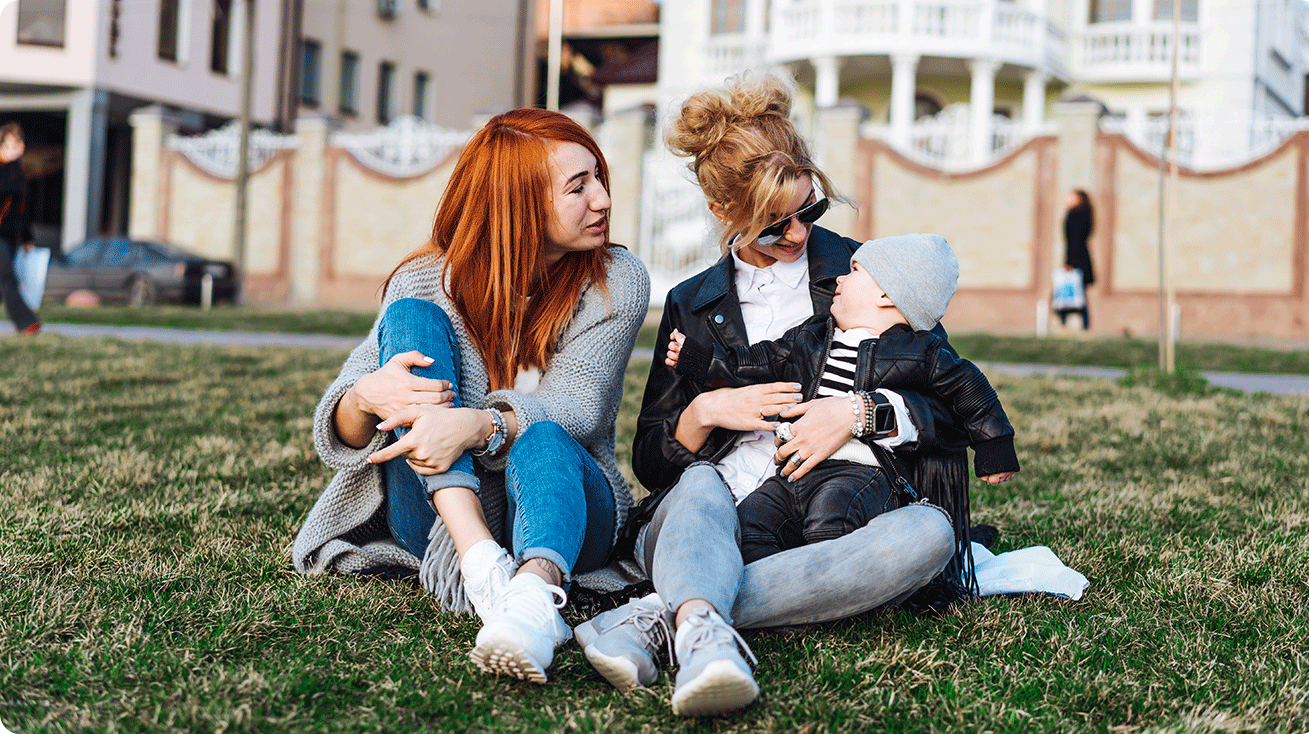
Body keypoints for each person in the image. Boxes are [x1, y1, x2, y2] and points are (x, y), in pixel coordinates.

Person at [573, 72, 976, 717]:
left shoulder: (862, 270)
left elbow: (950, 401)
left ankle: (664, 616)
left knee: (930, 534)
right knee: (700, 488)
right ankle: (701, 621)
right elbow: (651, 460)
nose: (796, 235)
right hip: (711, 515)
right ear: (723, 215)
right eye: (770, 224)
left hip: (836, 513)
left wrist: (859, 413)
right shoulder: (691, 303)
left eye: (808, 210)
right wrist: (705, 412)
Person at [291, 109, 649, 685]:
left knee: (545, 436)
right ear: (518, 202)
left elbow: (579, 411)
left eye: (599, 179)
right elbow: (341, 431)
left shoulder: (615, 279)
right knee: (411, 317)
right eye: (578, 187)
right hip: (443, 521)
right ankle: (482, 564)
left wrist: (479, 425)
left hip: (567, 506)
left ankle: (534, 596)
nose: (603, 199)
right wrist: (365, 396)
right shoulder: (426, 280)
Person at [666, 233, 1018, 563]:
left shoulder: (921, 351)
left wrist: (994, 447)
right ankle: (768, 587)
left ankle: (829, 592)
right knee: (752, 521)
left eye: (853, 271)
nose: (839, 279)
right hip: (794, 473)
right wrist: (700, 360)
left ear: (886, 295)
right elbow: (761, 360)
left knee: (832, 520)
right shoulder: (814, 336)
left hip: (862, 473)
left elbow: (971, 392)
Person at [0, 122, 41, 335]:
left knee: (4, 280)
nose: (20, 147)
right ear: (3, 144)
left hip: (10, 237)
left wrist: (27, 237)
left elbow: (23, 210)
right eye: (15, 143)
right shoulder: (9, 170)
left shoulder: (18, 170)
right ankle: (27, 323)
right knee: (7, 277)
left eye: (21, 142)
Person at [1058, 188, 1095, 330]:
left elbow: (1074, 242)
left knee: (1070, 294)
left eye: (1070, 197)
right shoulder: (1084, 214)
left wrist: (1069, 263)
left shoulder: (1076, 215)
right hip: (1080, 259)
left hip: (1077, 260)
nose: (1066, 199)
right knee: (1077, 294)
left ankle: (1072, 324)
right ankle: (1080, 324)